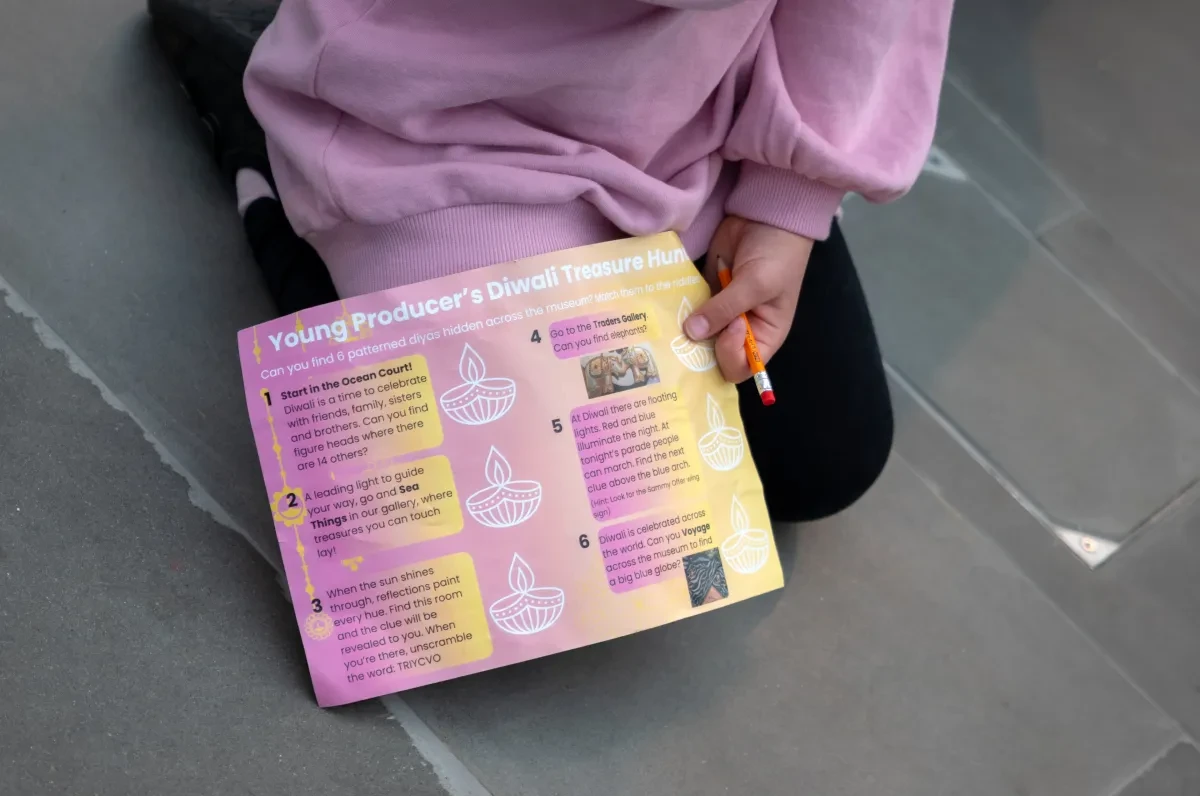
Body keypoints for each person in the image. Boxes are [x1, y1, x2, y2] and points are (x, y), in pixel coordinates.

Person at [148, 0, 954, 523]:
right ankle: (264, 138)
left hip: (698, 105)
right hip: (440, 112)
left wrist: (788, 196)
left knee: (819, 456)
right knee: (488, 509)